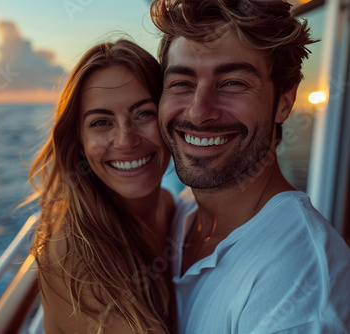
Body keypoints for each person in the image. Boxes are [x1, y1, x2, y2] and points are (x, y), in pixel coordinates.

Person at [150, 0, 350, 333]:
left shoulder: (299, 286)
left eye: (232, 83)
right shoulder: (183, 211)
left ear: (284, 101)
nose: (199, 112)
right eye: (181, 83)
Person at [26, 39, 175, 333]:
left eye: (144, 113)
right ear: (79, 143)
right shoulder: (76, 258)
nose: (125, 140)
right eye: (101, 123)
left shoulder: (169, 206)